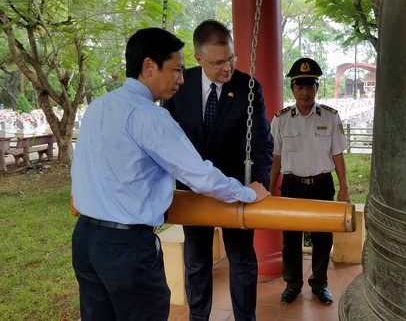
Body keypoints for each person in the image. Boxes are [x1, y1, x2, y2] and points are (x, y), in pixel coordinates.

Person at [70, 27, 270, 321]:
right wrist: (248, 193)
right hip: (127, 247)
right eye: (176, 70)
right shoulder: (150, 116)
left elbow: (83, 169)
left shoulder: (98, 106)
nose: (180, 78)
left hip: (86, 239)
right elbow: (198, 175)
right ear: (149, 67)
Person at [162, 20, 273, 321]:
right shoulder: (178, 87)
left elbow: (262, 141)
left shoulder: (248, 87)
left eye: (232, 58)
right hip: (193, 191)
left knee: (242, 261)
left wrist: (260, 183)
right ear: (198, 59)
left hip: (236, 189)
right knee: (196, 262)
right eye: (219, 62)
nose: (228, 68)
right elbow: (165, 140)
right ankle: (199, 318)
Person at [269, 57, 350, 305]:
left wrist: (344, 187)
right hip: (292, 186)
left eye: (310, 86)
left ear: (316, 88)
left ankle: (320, 283)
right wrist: (270, 189)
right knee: (290, 241)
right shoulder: (281, 119)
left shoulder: (330, 117)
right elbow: (276, 158)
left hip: (322, 185)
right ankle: (293, 284)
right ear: (292, 89)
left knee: (322, 239)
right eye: (300, 87)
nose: (305, 92)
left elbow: (337, 154)